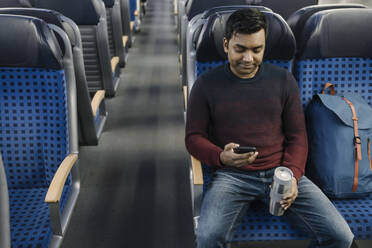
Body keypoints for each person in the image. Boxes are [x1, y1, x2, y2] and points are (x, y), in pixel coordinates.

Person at [185, 8, 356, 248]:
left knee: (341, 237)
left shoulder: (283, 81)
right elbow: (193, 137)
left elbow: (297, 136)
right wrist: (221, 156)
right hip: (232, 176)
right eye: (240, 49)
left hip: (281, 172)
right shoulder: (206, 85)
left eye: (257, 50)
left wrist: (294, 176)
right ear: (226, 45)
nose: (248, 58)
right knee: (208, 238)